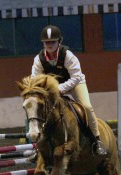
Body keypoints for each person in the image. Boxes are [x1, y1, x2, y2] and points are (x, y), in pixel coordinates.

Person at [31, 25, 107, 156]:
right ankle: (38, 147)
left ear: (59, 41)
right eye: (47, 42)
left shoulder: (68, 55)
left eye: (52, 42)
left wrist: (60, 88)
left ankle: (97, 141)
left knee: (87, 107)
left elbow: (76, 77)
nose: (49, 45)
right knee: (39, 109)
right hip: (53, 88)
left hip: (75, 84)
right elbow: (35, 79)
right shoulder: (39, 59)